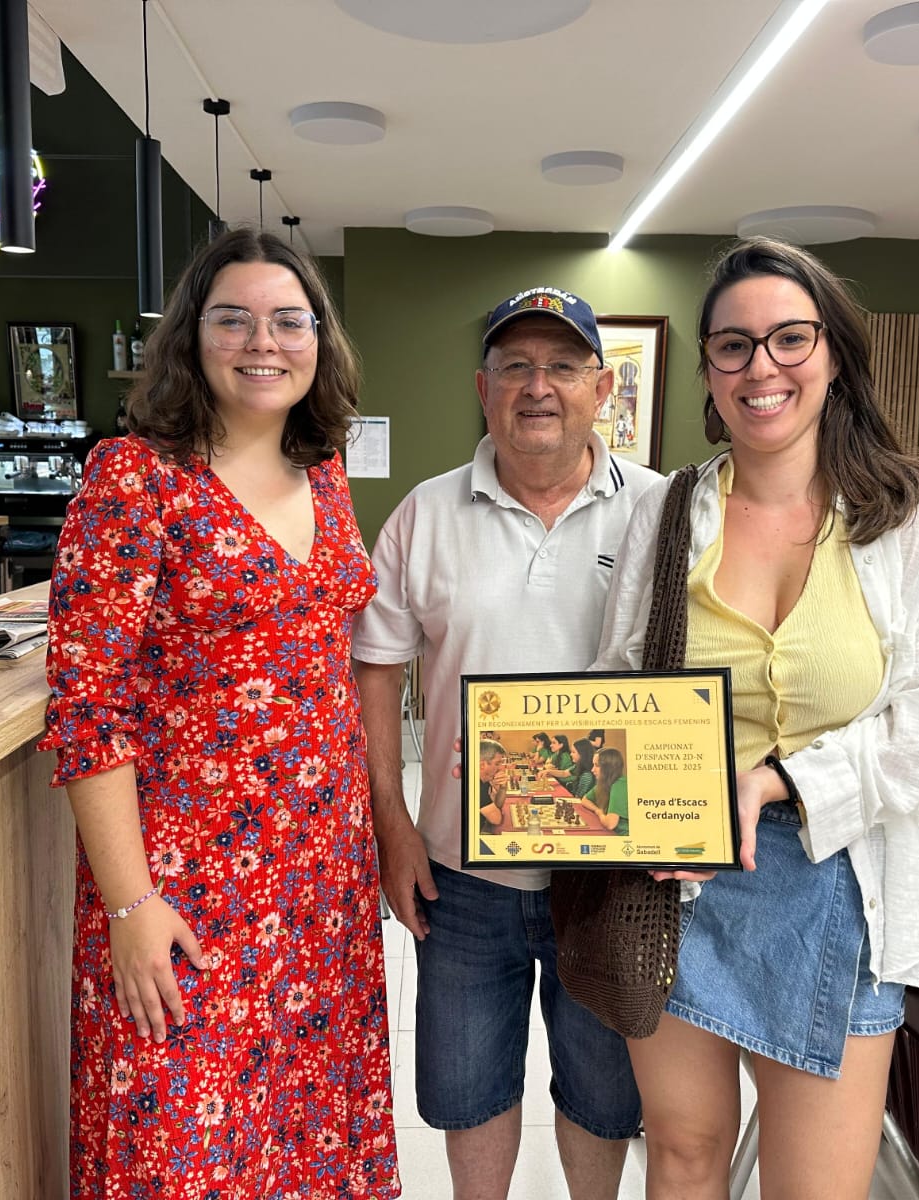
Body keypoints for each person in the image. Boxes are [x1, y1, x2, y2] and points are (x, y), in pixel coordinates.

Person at [592, 237, 919, 1199]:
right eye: (733, 346)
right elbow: (619, 679)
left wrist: (775, 781)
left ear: (835, 353)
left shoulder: (909, 514)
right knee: (683, 1158)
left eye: (789, 339)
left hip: (838, 885)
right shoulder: (670, 513)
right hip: (677, 885)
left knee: (816, 1185)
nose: (761, 367)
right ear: (710, 372)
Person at [38, 227, 399, 1200]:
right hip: (185, 885)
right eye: (232, 318)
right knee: (180, 1142)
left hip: (318, 876)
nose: (263, 341)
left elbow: (328, 655)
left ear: (319, 339)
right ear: (190, 338)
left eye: (290, 320)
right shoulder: (135, 477)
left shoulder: (324, 473)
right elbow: (85, 708)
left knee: (295, 1131)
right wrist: (129, 904)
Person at [352, 285, 662, 1200]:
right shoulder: (424, 515)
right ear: (481, 388)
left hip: (607, 877)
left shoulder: (661, 510)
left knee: (605, 1094)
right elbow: (375, 671)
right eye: (516, 367)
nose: (539, 386)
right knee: (466, 1089)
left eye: (563, 366)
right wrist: (393, 827)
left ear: (602, 388)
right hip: (459, 877)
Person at [579, 747, 627, 833]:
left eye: (597, 765)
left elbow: (610, 824)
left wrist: (600, 814)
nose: (592, 770)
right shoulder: (604, 783)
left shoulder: (620, 785)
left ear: (609, 768)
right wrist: (597, 810)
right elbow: (585, 800)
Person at [476, 739, 512, 832]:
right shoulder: (475, 786)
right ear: (482, 765)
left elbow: (498, 806)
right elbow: (496, 819)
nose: (501, 767)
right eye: (497, 763)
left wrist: (502, 788)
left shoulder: (485, 779)